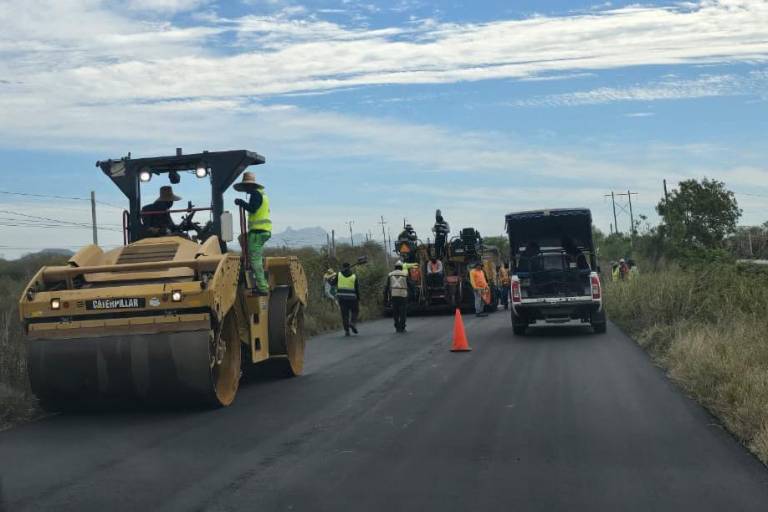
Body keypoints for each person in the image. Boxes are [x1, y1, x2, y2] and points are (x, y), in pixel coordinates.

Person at [234, 171, 271, 294]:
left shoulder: (255, 194)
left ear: (250, 186)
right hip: (262, 231)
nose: (245, 189)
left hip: (258, 232)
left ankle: (262, 287)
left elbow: (252, 208)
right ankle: (258, 276)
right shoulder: (262, 194)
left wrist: (241, 203)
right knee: (242, 239)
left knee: (254, 259)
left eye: (246, 186)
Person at [336, 262, 360, 337]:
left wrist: (330, 278)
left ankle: (347, 331)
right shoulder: (354, 276)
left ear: (343, 267)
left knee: (344, 315)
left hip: (342, 299)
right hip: (352, 298)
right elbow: (357, 289)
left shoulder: (338, 275)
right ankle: (352, 323)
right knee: (355, 311)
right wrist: (358, 298)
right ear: (349, 267)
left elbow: (332, 283)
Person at [385, 260, 409, 333]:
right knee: (403, 313)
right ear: (401, 267)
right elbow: (410, 284)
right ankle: (402, 327)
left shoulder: (390, 274)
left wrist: (385, 297)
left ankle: (397, 327)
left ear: (395, 267)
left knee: (395, 312)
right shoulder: (405, 274)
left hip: (394, 295)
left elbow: (387, 286)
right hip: (403, 295)